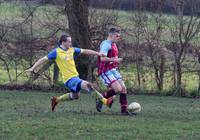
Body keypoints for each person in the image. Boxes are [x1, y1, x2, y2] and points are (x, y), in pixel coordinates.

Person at [26, 34, 113, 111]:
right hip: (69, 79)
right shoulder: (56, 52)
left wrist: (98, 54)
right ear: (63, 42)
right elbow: (43, 59)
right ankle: (105, 101)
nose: (70, 43)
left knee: (75, 96)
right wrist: (32, 68)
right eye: (69, 42)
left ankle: (56, 100)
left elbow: (85, 51)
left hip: (75, 77)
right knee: (88, 85)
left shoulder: (72, 49)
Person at [96, 28, 133, 115]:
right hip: (105, 70)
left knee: (123, 88)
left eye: (119, 36)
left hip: (113, 70)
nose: (118, 38)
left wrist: (115, 61)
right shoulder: (106, 44)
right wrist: (115, 60)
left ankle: (124, 111)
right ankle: (101, 99)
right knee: (118, 89)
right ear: (111, 35)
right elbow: (102, 58)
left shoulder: (114, 44)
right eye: (117, 36)